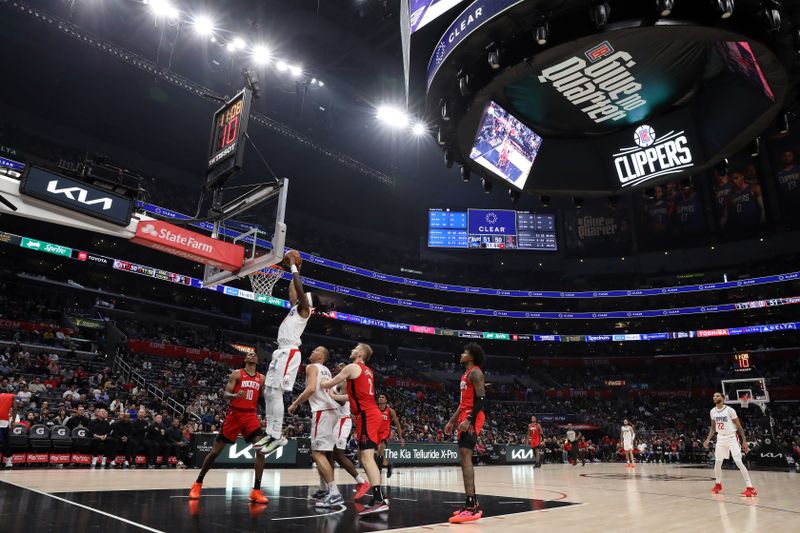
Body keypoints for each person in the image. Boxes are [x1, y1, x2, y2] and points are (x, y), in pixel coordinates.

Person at [189, 350, 270, 505]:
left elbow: (264, 397)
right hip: (234, 414)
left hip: (251, 415)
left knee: (261, 450)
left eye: (255, 355)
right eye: (249, 354)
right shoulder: (237, 374)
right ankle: (197, 483)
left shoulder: (261, 378)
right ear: (245, 359)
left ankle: (256, 491)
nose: (252, 355)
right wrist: (234, 396)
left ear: (258, 360)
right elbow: (226, 394)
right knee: (214, 452)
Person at [320, 343, 387, 515]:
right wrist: (335, 396)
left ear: (359, 353)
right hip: (371, 413)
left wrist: (321, 382)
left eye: (354, 348)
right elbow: (353, 395)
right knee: (364, 456)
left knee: (366, 458)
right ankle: (378, 496)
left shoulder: (352, 367)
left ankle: (379, 499)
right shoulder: (367, 371)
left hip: (366, 415)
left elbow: (331, 382)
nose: (351, 350)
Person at [258, 251, 315, 455]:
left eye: (302, 297)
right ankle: (270, 432)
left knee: (277, 392)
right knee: (268, 391)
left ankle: (277, 436)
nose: (299, 297)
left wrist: (293, 267)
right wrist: (296, 270)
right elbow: (293, 290)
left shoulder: (304, 311)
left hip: (290, 351)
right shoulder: (294, 309)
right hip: (280, 351)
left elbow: (298, 290)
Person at [287, 346, 344, 508]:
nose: (312, 352)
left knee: (317, 454)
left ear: (322, 357)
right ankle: (326, 489)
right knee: (323, 454)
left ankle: (334, 493)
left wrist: (295, 404)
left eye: (315, 350)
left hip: (322, 411)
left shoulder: (311, 367)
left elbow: (311, 388)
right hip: (332, 411)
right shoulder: (327, 371)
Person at [444, 343, 486, 524]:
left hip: (472, 418)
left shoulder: (476, 372)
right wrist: (452, 421)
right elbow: (463, 403)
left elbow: (482, 399)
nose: (462, 354)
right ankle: (472, 502)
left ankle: (471, 506)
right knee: (463, 458)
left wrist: (469, 419)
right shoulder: (465, 374)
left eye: (465, 352)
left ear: (472, 356)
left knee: (466, 457)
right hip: (463, 416)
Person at [703, 392, 756, 497]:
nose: (715, 397)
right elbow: (713, 428)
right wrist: (708, 439)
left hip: (732, 437)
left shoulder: (729, 410)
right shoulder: (712, 411)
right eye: (713, 396)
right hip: (720, 438)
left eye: (717, 396)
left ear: (723, 398)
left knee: (738, 462)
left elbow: (739, 426)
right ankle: (718, 484)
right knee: (718, 462)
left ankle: (750, 487)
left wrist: (744, 441)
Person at [376, 393, 404, 479]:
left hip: (385, 433)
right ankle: (388, 466)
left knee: (381, 449)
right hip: (375, 433)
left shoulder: (390, 411)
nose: (380, 398)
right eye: (379, 397)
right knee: (378, 454)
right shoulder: (374, 409)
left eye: (382, 397)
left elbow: (397, 424)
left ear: (386, 400)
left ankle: (378, 472)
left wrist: (401, 437)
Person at [0, 392, 16, 468]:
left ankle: (8, 459)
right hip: (3, 420)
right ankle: (8, 460)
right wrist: (13, 420)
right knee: (5, 441)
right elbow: (15, 408)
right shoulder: (12, 396)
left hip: (3, 420)